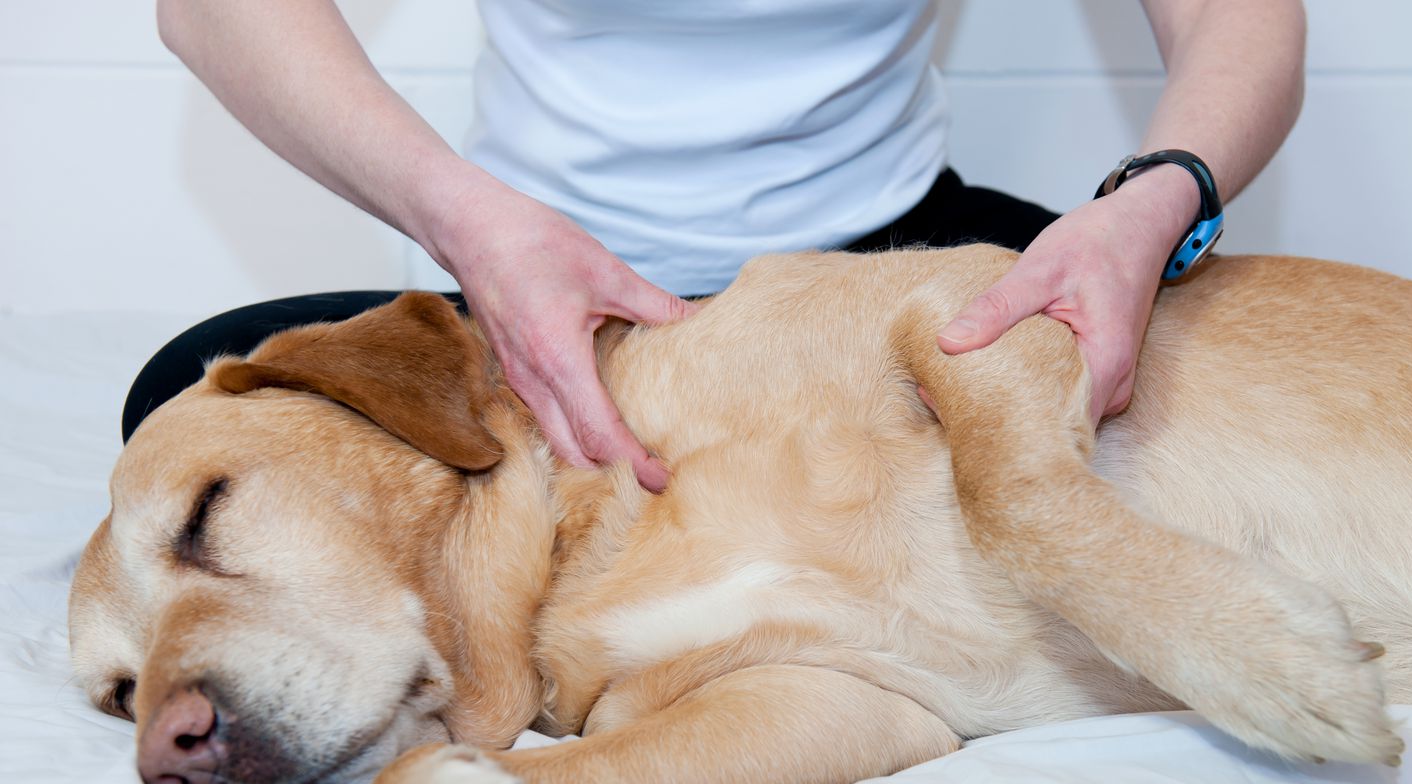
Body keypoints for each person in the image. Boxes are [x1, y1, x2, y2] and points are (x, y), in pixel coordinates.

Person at [130, 0, 1306, 493]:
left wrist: (1153, 203)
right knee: (188, 409)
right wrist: (464, 218)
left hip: (883, 276)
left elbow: (1235, 15)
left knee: (1231, 398)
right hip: (537, 293)